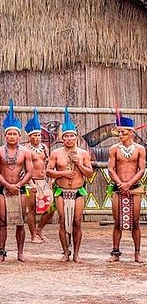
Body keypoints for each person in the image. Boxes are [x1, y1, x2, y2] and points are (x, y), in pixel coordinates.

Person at [46, 108, 93, 263]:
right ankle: (65, 252)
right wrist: (62, 174)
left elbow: (89, 174)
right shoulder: (56, 153)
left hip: (78, 191)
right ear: (62, 138)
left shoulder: (83, 154)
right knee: (62, 220)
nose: (69, 139)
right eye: (66, 136)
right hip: (61, 190)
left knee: (77, 222)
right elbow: (48, 172)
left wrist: (79, 164)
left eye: (71, 136)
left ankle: (76, 253)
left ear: (76, 137)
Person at [0, 100, 33, 263]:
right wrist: (7, 185)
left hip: (20, 188)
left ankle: (20, 252)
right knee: (2, 221)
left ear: (19, 135)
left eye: (14, 134)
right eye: (9, 134)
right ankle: (1, 252)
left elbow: (30, 171)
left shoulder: (25, 152)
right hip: (3, 189)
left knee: (20, 221)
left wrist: (18, 184)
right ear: (5, 135)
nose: (11, 136)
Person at [107, 111, 146, 263]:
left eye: (123, 132)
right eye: (119, 132)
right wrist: (120, 184)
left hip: (134, 187)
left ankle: (137, 253)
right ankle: (115, 252)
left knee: (135, 221)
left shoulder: (140, 149)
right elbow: (111, 169)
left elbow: (141, 169)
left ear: (131, 133)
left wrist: (129, 184)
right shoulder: (114, 149)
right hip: (118, 187)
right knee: (117, 222)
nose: (120, 135)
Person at [24, 109, 54, 243]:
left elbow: (48, 165)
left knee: (51, 208)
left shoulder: (44, 148)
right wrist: (30, 183)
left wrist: (51, 181)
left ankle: (39, 229)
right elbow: (24, 169)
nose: (37, 138)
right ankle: (32, 235)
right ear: (29, 137)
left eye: (39, 135)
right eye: (34, 135)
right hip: (31, 182)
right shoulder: (26, 150)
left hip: (43, 181)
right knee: (32, 210)